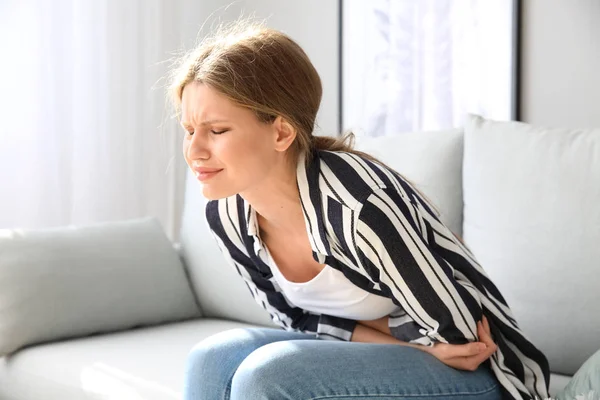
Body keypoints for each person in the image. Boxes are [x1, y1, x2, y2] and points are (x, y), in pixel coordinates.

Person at [168, 21, 550, 400]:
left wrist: (360, 330)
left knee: (268, 376)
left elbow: (460, 334)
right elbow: (295, 320)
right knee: (212, 359)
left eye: (216, 131)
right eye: (189, 130)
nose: (194, 151)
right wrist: (407, 342)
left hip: (483, 375)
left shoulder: (357, 208)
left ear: (281, 133)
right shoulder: (227, 215)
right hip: (410, 354)